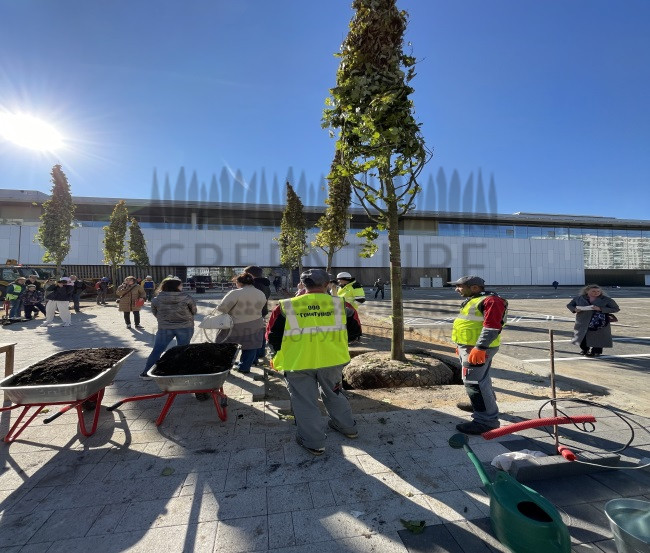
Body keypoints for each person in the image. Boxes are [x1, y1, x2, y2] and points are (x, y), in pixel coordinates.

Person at [266, 269, 362, 455]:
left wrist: (276, 356)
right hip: (332, 360)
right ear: (327, 285)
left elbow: (272, 337)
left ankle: (314, 442)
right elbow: (355, 334)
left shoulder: (286, 306)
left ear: (303, 285)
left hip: (297, 362)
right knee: (334, 393)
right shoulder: (342, 305)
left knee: (305, 400)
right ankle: (348, 428)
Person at [449, 275, 508, 435]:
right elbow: (468, 325)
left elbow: (492, 327)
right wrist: (460, 345)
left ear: (474, 287)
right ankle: (481, 405)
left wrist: (480, 348)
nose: (457, 289)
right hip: (469, 347)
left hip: (477, 349)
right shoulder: (475, 299)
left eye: (460, 286)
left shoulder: (491, 301)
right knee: (481, 380)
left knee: (474, 383)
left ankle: (486, 421)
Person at [140, 277, 197, 379]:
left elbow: (155, 313)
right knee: (182, 350)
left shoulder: (156, 299)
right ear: (176, 286)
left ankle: (146, 373)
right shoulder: (187, 298)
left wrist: (165, 320)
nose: (182, 287)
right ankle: (181, 372)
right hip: (185, 327)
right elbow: (194, 311)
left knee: (157, 350)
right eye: (181, 285)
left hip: (165, 328)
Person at [213, 272, 267, 375]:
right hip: (256, 323)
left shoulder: (235, 293)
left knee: (226, 345)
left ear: (239, 283)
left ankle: (225, 368)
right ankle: (244, 367)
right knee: (251, 346)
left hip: (235, 324)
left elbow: (222, 308)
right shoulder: (260, 293)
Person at [567, 284, 620, 357]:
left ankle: (596, 351)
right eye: (593, 291)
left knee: (598, 336)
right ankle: (585, 349)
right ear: (587, 291)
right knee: (583, 336)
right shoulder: (579, 298)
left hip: (599, 321)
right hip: (583, 320)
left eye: (598, 291)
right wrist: (575, 309)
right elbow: (570, 305)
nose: (596, 293)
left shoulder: (606, 299)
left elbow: (616, 308)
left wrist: (600, 309)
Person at [243, 265, 271, 364]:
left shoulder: (254, 286)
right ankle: (259, 354)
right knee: (260, 335)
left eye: (244, 274)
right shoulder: (265, 285)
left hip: (252, 315)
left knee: (251, 339)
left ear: (250, 274)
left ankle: (251, 360)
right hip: (261, 313)